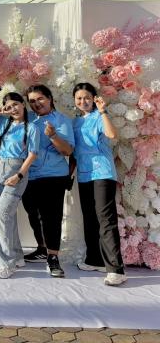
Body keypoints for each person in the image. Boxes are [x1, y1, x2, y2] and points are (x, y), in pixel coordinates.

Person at [71, 83, 126, 286]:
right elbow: (74, 152)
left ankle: (116, 269)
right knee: (90, 218)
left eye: (87, 97)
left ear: (94, 98)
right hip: (84, 175)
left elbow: (112, 135)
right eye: (79, 98)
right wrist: (69, 174)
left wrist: (103, 111)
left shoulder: (99, 116)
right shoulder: (75, 122)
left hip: (102, 172)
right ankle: (95, 260)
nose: (83, 101)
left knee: (106, 220)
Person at [23, 84, 74, 278]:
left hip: (54, 176)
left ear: (50, 98)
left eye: (40, 99)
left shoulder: (62, 120)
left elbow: (67, 151)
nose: (37, 103)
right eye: (32, 101)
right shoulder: (28, 118)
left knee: (51, 217)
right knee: (33, 215)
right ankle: (42, 248)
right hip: (29, 175)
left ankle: (53, 257)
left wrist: (53, 135)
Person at [0, 92, 39, 279]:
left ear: (23, 104)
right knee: (9, 217)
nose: (13, 109)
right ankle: (17, 255)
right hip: (0, 169)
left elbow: (33, 154)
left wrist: (19, 175)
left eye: (16, 104)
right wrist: (1, 111)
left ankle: (7, 263)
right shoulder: (5, 123)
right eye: (9, 106)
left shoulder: (32, 127)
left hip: (17, 171)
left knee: (2, 216)